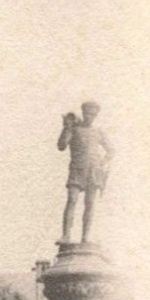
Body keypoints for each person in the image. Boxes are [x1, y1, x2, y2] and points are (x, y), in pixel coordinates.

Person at [57, 101, 114, 245]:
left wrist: (102, 163)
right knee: (72, 200)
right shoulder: (74, 129)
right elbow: (61, 146)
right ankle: (66, 235)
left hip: (93, 170)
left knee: (90, 203)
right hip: (77, 168)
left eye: (93, 114)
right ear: (83, 113)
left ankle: (85, 236)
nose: (90, 117)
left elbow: (111, 150)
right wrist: (67, 127)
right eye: (88, 113)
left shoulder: (98, 132)